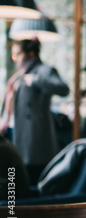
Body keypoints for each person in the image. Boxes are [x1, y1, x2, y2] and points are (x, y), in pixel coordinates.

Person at [0, 38, 70, 185]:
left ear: (31, 53)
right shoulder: (19, 74)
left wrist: (37, 80)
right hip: (15, 131)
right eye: (13, 55)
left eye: (18, 54)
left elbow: (63, 89)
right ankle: (15, 207)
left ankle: (26, 208)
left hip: (33, 137)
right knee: (14, 173)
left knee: (31, 179)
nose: (15, 59)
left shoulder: (43, 71)